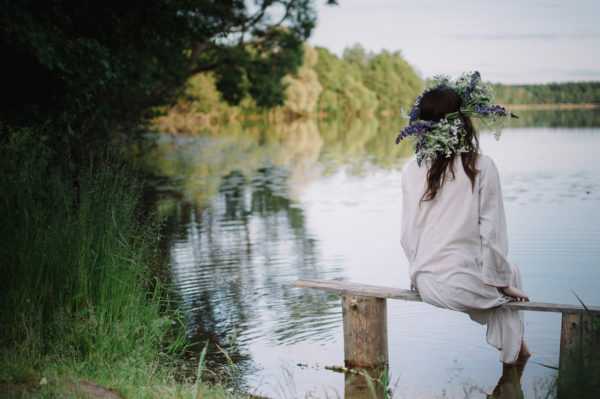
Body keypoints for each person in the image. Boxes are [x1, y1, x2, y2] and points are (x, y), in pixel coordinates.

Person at [396, 72, 531, 365]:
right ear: (462, 123)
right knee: (512, 276)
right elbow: (492, 234)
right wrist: (500, 281)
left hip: (426, 282)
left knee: (507, 277)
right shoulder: (482, 166)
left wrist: (416, 272)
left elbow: (407, 236)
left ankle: (516, 359)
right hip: (461, 286)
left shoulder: (411, 169)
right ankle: (514, 363)